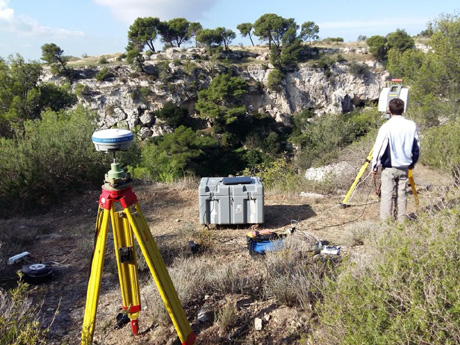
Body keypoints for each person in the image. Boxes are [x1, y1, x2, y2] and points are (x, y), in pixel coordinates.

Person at [371, 98, 420, 222]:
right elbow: (416, 146)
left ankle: (386, 224)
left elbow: (379, 147)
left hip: (389, 168)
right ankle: (401, 223)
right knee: (402, 195)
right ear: (403, 110)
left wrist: (374, 166)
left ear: (389, 110)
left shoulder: (386, 126)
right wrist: (413, 163)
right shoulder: (411, 125)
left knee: (387, 195)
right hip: (404, 167)